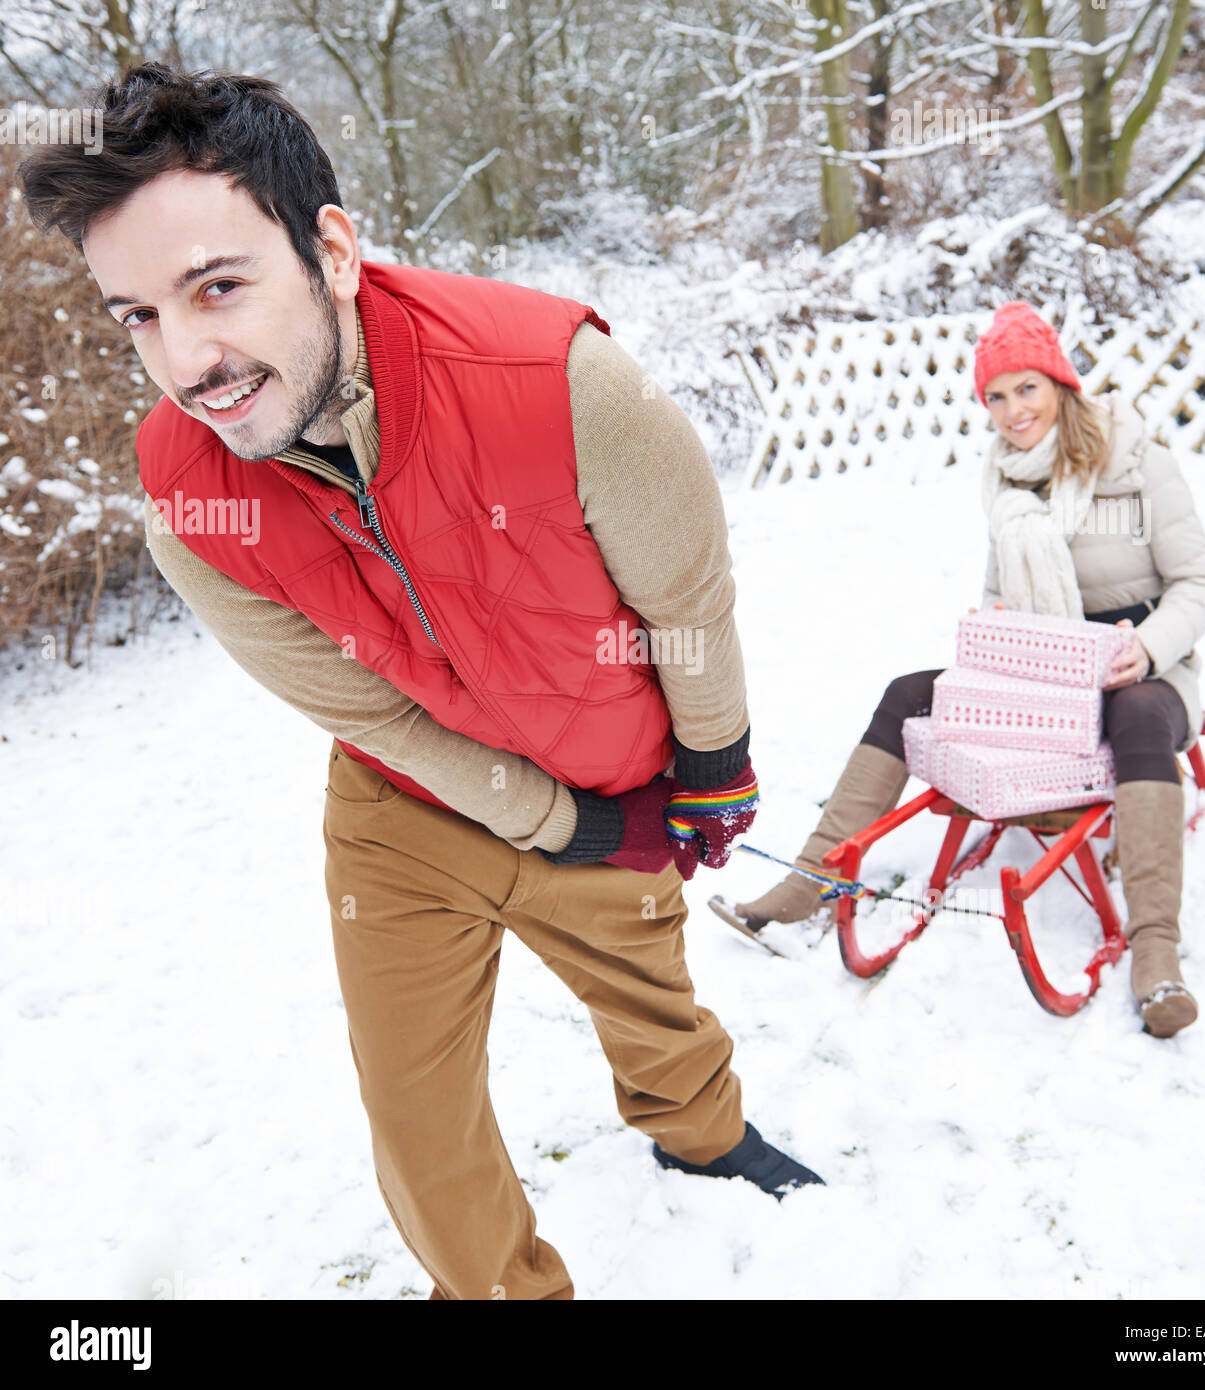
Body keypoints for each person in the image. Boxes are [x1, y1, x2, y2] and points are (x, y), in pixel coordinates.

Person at [19, 63, 823, 1302]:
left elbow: (684, 608)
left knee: (652, 995)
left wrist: (712, 767)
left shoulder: (564, 388)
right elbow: (365, 709)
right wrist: (554, 823)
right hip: (407, 806)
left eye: (217, 286)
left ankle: (699, 1133)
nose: (186, 358)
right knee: (414, 1108)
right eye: (137, 317)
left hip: (615, 770)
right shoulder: (188, 501)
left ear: (331, 247)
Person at [724, 301, 1205, 1039]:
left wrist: (1146, 648)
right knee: (907, 693)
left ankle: (1156, 951)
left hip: (1137, 664)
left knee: (1142, 717)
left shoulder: (1138, 461)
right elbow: (999, 592)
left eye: (1027, 388)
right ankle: (811, 880)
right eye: (996, 395)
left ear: (1059, 383)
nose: (1013, 411)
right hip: (1042, 670)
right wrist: (993, 633)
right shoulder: (1006, 482)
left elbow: (1201, 583)